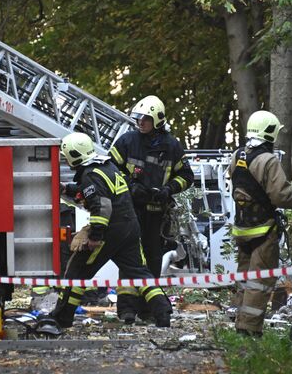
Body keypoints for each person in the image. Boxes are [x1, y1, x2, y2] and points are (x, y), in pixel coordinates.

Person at [36, 132, 172, 334]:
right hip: (130, 227)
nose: (66, 160)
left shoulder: (90, 174)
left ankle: (62, 317)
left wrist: (95, 236)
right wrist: (67, 189)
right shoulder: (106, 166)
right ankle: (163, 312)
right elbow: (95, 191)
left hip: (111, 230)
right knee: (139, 272)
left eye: (66, 156)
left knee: (77, 271)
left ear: (74, 155)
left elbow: (103, 205)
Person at [228, 110, 292, 337]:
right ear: (270, 132)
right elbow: (282, 197)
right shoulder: (267, 160)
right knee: (259, 282)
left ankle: (240, 323)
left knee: (244, 278)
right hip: (263, 230)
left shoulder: (237, 155)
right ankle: (250, 330)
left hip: (241, 229)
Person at [108, 95, 193, 324]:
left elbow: (186, 176)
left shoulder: (172, 146)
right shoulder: (127, 142)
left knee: (153, 260)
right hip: (131, 211)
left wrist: (168, 189)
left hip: (157, 213)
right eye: (138, 118)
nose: (140, 122)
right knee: (131, 259)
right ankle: (126, 310)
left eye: (145, 118)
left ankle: (147, 310)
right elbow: (110, 170)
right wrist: (131, 186)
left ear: (157, 120)